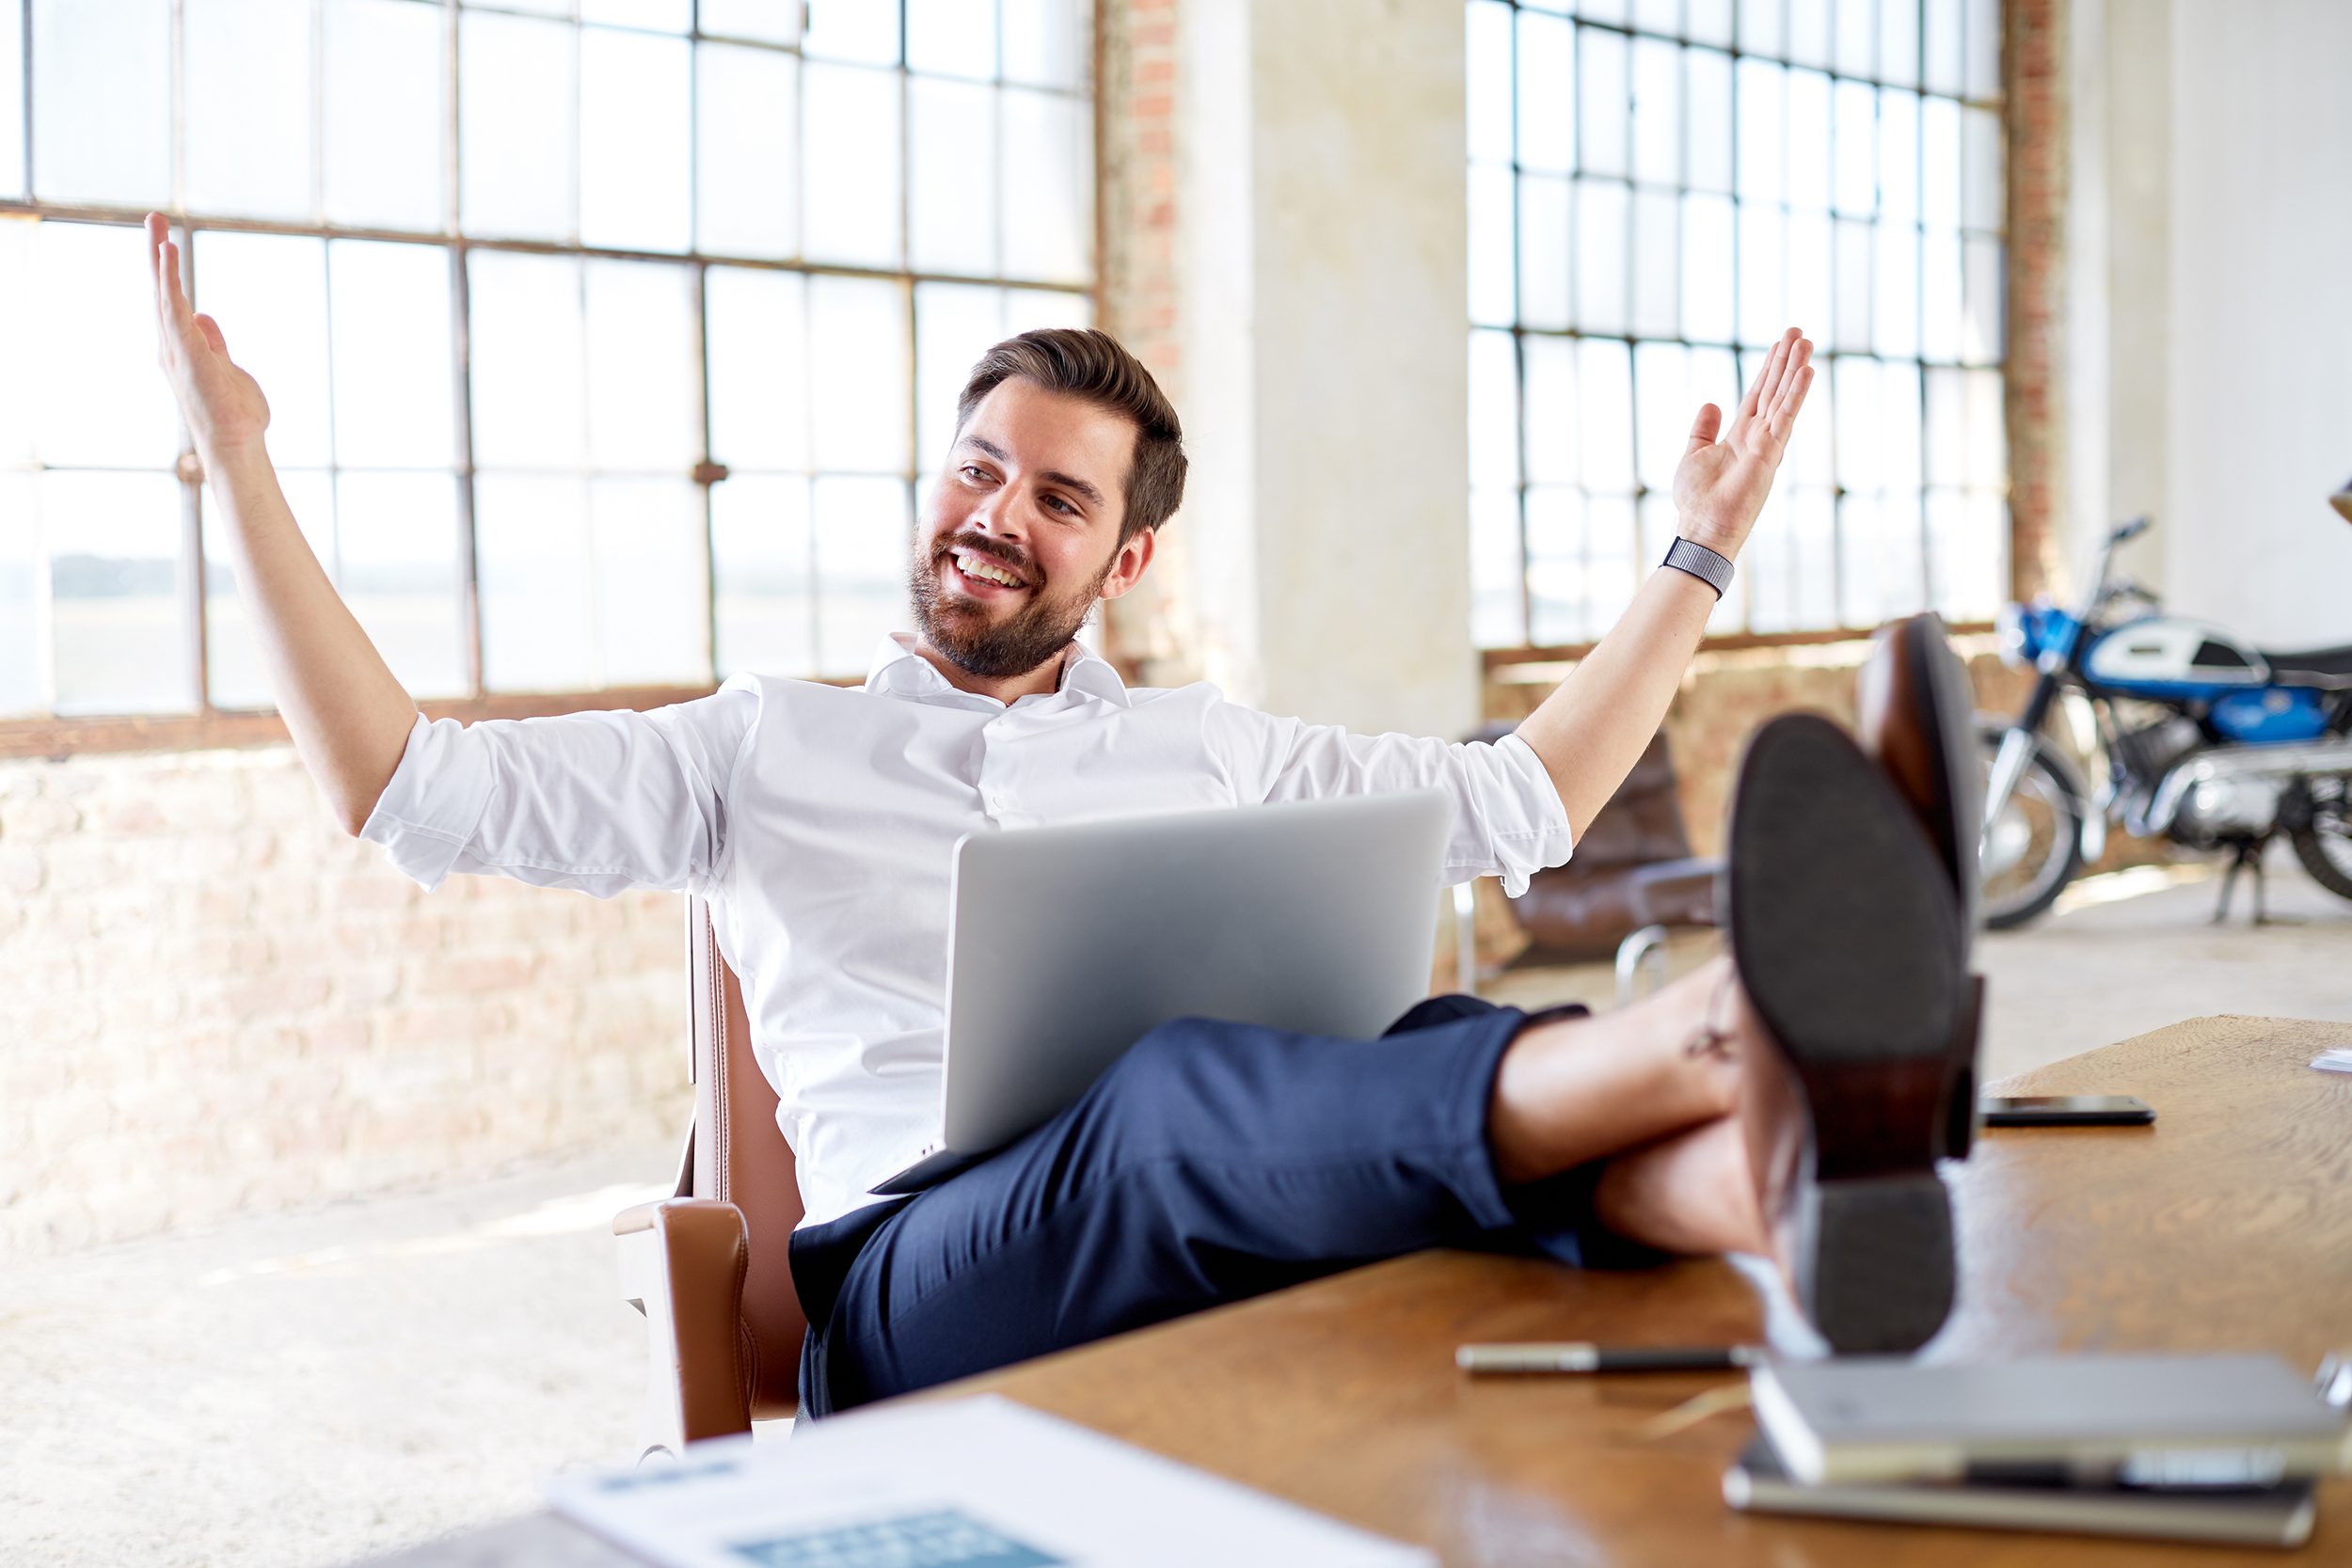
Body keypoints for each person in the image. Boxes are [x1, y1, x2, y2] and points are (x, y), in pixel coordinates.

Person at [143, 211, 1963, 1415]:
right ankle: (1737, 1031)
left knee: (1419, 1035)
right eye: (976, 466)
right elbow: (399, 782)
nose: (993, 514)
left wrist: (1698, 552)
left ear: (1129, 553)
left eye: (1056, 498)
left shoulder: (1209, 747)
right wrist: (239, 468)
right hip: (911, 1287)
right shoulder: (762, 744)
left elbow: (1524, 800)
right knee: (1172, 1097)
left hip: (1197, 1213)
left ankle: (1768, 1182)